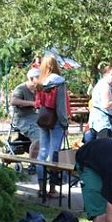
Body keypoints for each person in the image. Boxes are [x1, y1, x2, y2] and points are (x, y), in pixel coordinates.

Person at [34, 55, 70, 200]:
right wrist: (65, 123)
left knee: (42, 153)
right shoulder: (59, 82)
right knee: (54, 153)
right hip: (56, 121)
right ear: (55, 65)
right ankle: (53, 189)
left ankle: (41, 188)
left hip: (43, 120)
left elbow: (37, 104)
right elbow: (61, 106)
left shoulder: (40, 82)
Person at [86, 64, 112, 141]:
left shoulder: (106, 85)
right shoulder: (105, 86)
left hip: (98, 122)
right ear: (105, 74)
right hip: (102, 124)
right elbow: (107, 104)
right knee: (104, 149)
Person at [8, 67, 41, 159]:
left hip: (34, 117)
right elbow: (13, 101)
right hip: (21, 119)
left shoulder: (37, 90)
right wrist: (32, 103)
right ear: (31, 78)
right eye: (39, 78)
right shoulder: (21, 88)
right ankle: (32, 163)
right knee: (38, 138)